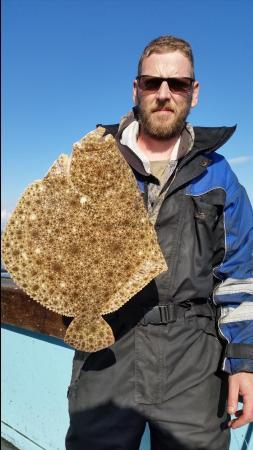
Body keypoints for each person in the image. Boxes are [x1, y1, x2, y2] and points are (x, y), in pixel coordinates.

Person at [65, 35, 253, 450]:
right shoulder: (95, 159)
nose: (164, 94)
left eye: (178, 84)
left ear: (194, 92)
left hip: (193, 359)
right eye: (152, 83)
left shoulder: (219, 176)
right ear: (136, 88)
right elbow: (60, 244)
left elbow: (240, 275)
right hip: (107, 349)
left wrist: (244, 363)